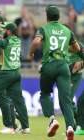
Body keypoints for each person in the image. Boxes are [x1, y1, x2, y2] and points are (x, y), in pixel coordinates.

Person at [28, 5, 81, 140]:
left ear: (47, 17)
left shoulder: (44, 29)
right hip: (63, 67)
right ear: (58, 16)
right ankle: (70, 127)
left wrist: (31, 53)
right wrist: (65, 49)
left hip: (49, 65)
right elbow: (77, 48)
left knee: (45, 93)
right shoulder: (67, 30)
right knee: (65, 99)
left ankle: (52, 120)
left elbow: (36, 41)